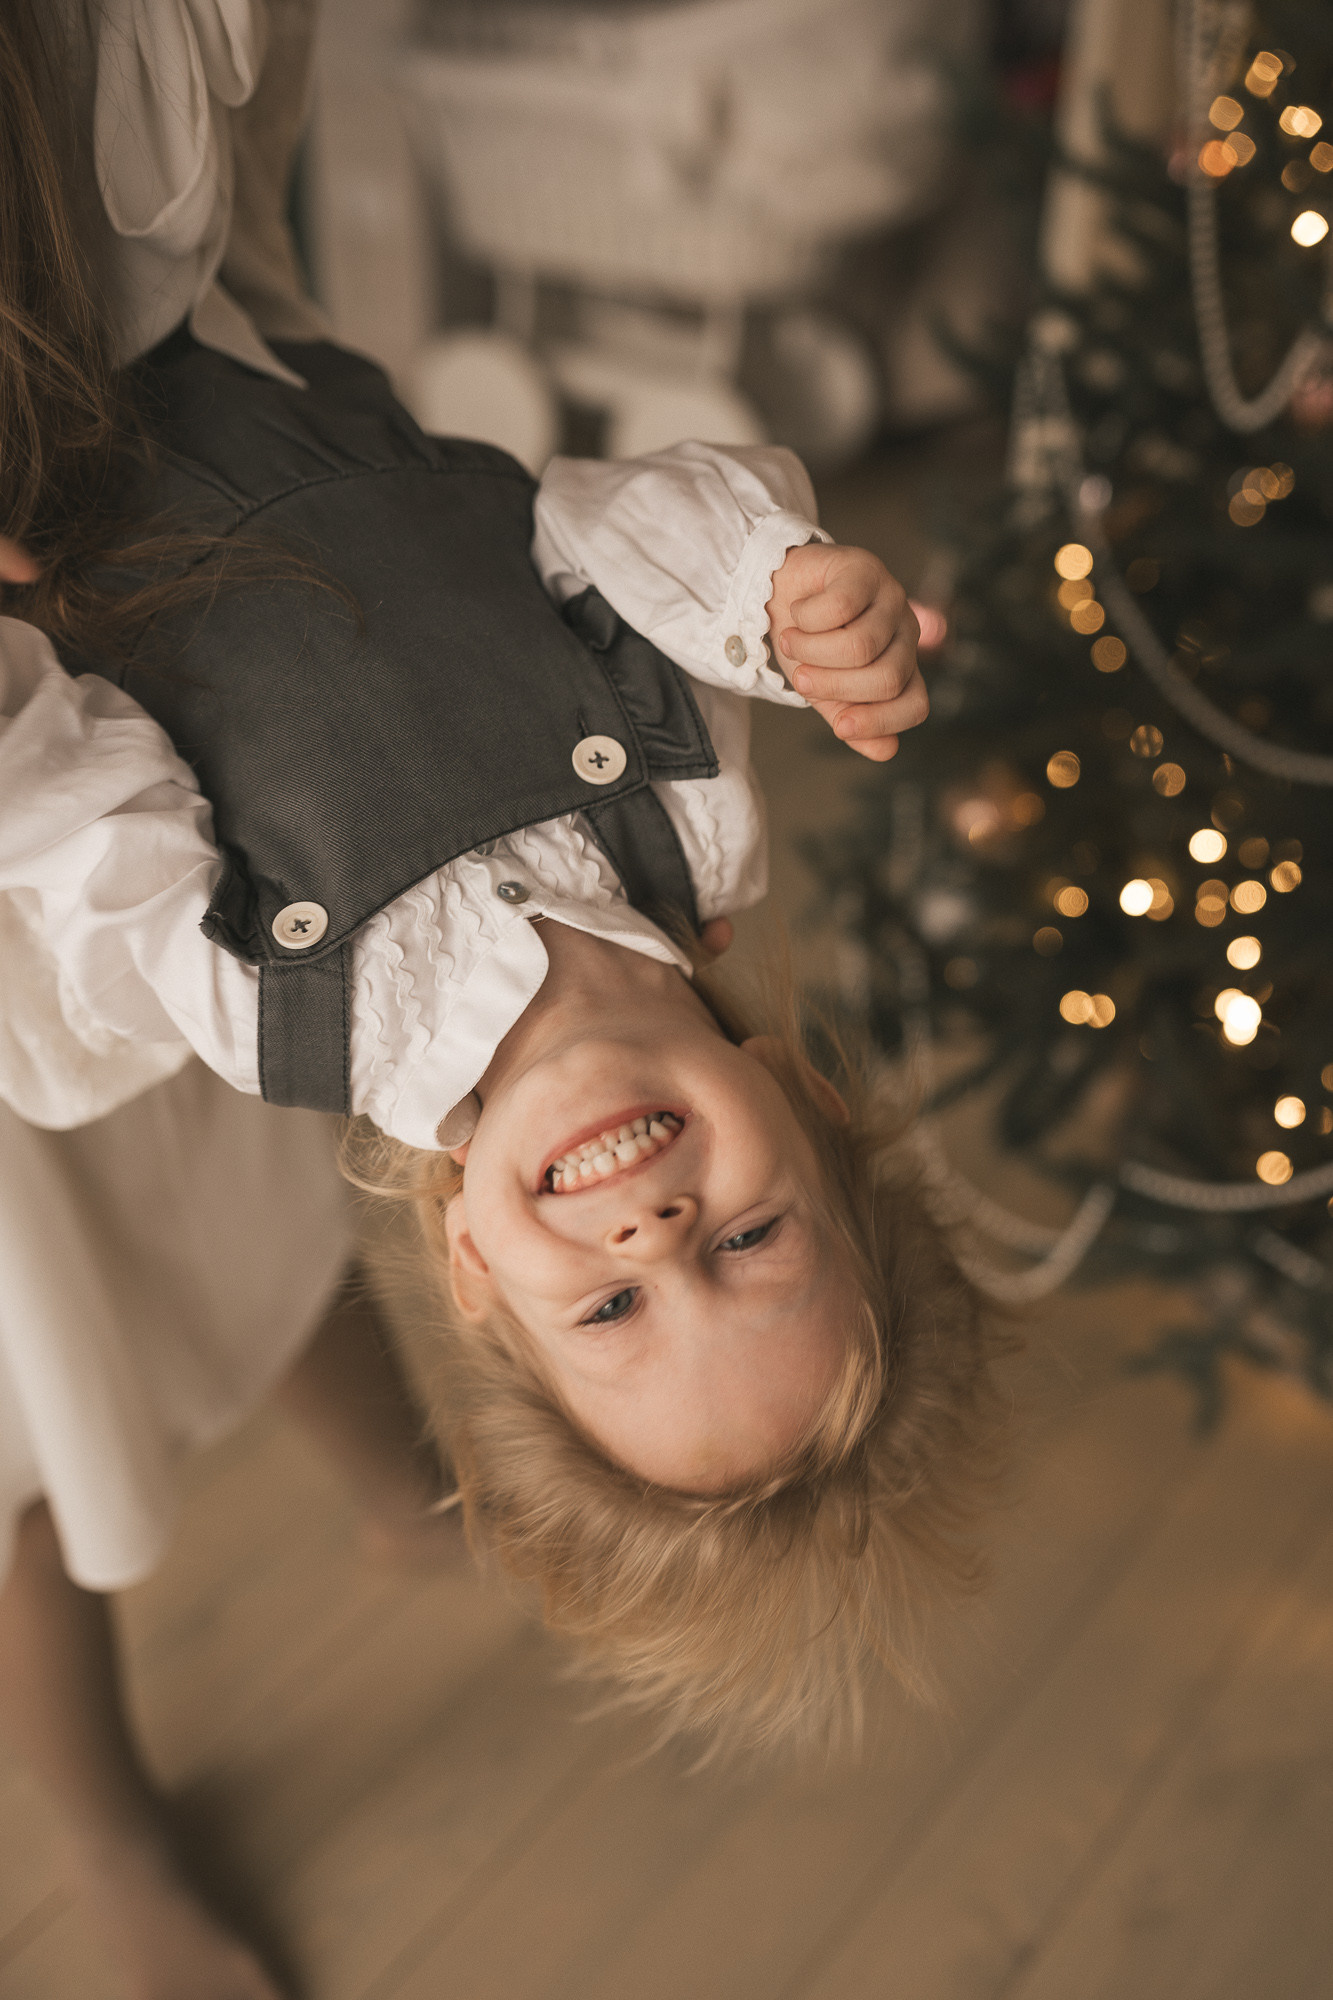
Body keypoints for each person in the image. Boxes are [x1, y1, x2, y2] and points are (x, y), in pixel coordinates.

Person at [0, 3, 1001, 1996]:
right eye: (749, 1240)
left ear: (478, 1273)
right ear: (806, 1098)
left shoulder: (269, 996)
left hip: (52, 459)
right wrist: (784, 589)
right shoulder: (693, 824)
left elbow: (54, 809)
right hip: (190, 315)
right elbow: (586, 526)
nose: (652, 1227)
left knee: (88, 1309)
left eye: (618, 1306)